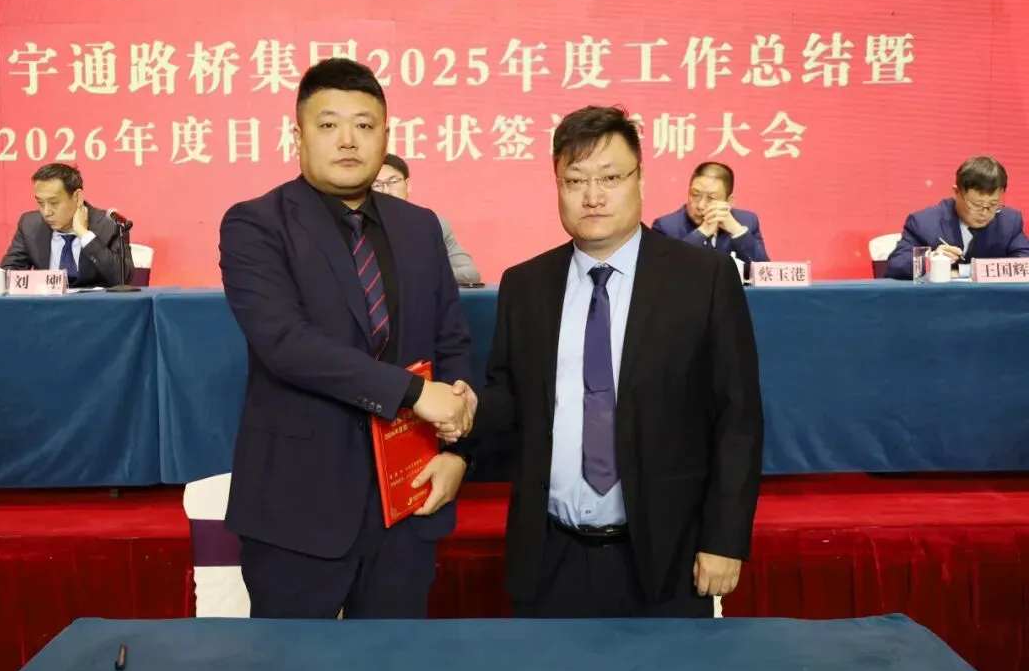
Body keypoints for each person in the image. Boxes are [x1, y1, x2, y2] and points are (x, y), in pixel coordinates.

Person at [468, 106, 764, 618]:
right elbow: (510, 400)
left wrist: (724, 538)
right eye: (575, 180)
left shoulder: (703, 278)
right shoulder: (525, 286)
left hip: (665, 555)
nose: (593, 196)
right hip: (549, 556)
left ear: (640, 180)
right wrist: (463, 415)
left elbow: (738, 417)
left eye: (610, 177)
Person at [218, 58, 476, 619]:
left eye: (364, 125)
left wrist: (457, 452)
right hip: (297, 508)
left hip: (409, 500)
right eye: (329, 124)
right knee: (292, 665)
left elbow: (452, 341)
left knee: (395, 664)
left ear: (386, 134)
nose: (348, 140)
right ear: (297, 135)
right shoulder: (255, 224)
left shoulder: (420, 226)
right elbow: (286, 344)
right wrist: (413, 393)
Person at [885, 156, 1029, 279]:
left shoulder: (1009, 222)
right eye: (976, 204)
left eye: (993, 204)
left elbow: (1025, 263)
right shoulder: (924, 223)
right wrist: (931, 259)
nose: (985, 213)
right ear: (956, 192)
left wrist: (962, 272)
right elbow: (896, 265)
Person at [1, 163, 134, 287]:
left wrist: (85, 235)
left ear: (77, 197)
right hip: (45, 303)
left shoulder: (109, 225)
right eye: (40, 203)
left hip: (93, 304)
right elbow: (8, 273)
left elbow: (123, 279)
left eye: (54, 203)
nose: (46, 212)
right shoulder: (30, 225)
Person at [372, 153, 482, 284]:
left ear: (408, 185)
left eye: (393, 182)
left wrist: (419, 272)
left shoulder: (433, 225)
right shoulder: (357, 227)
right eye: (377, 184)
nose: (386, 191)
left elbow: (469, 274)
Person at [651, 161, 769, 274]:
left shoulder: (747, 222)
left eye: (711, 198)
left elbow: (764, 272)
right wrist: (701, 233)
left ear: (729, 201)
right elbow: (662, 272)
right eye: (695, 195)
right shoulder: (665, 227)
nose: (701, 205)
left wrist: (736, 231)